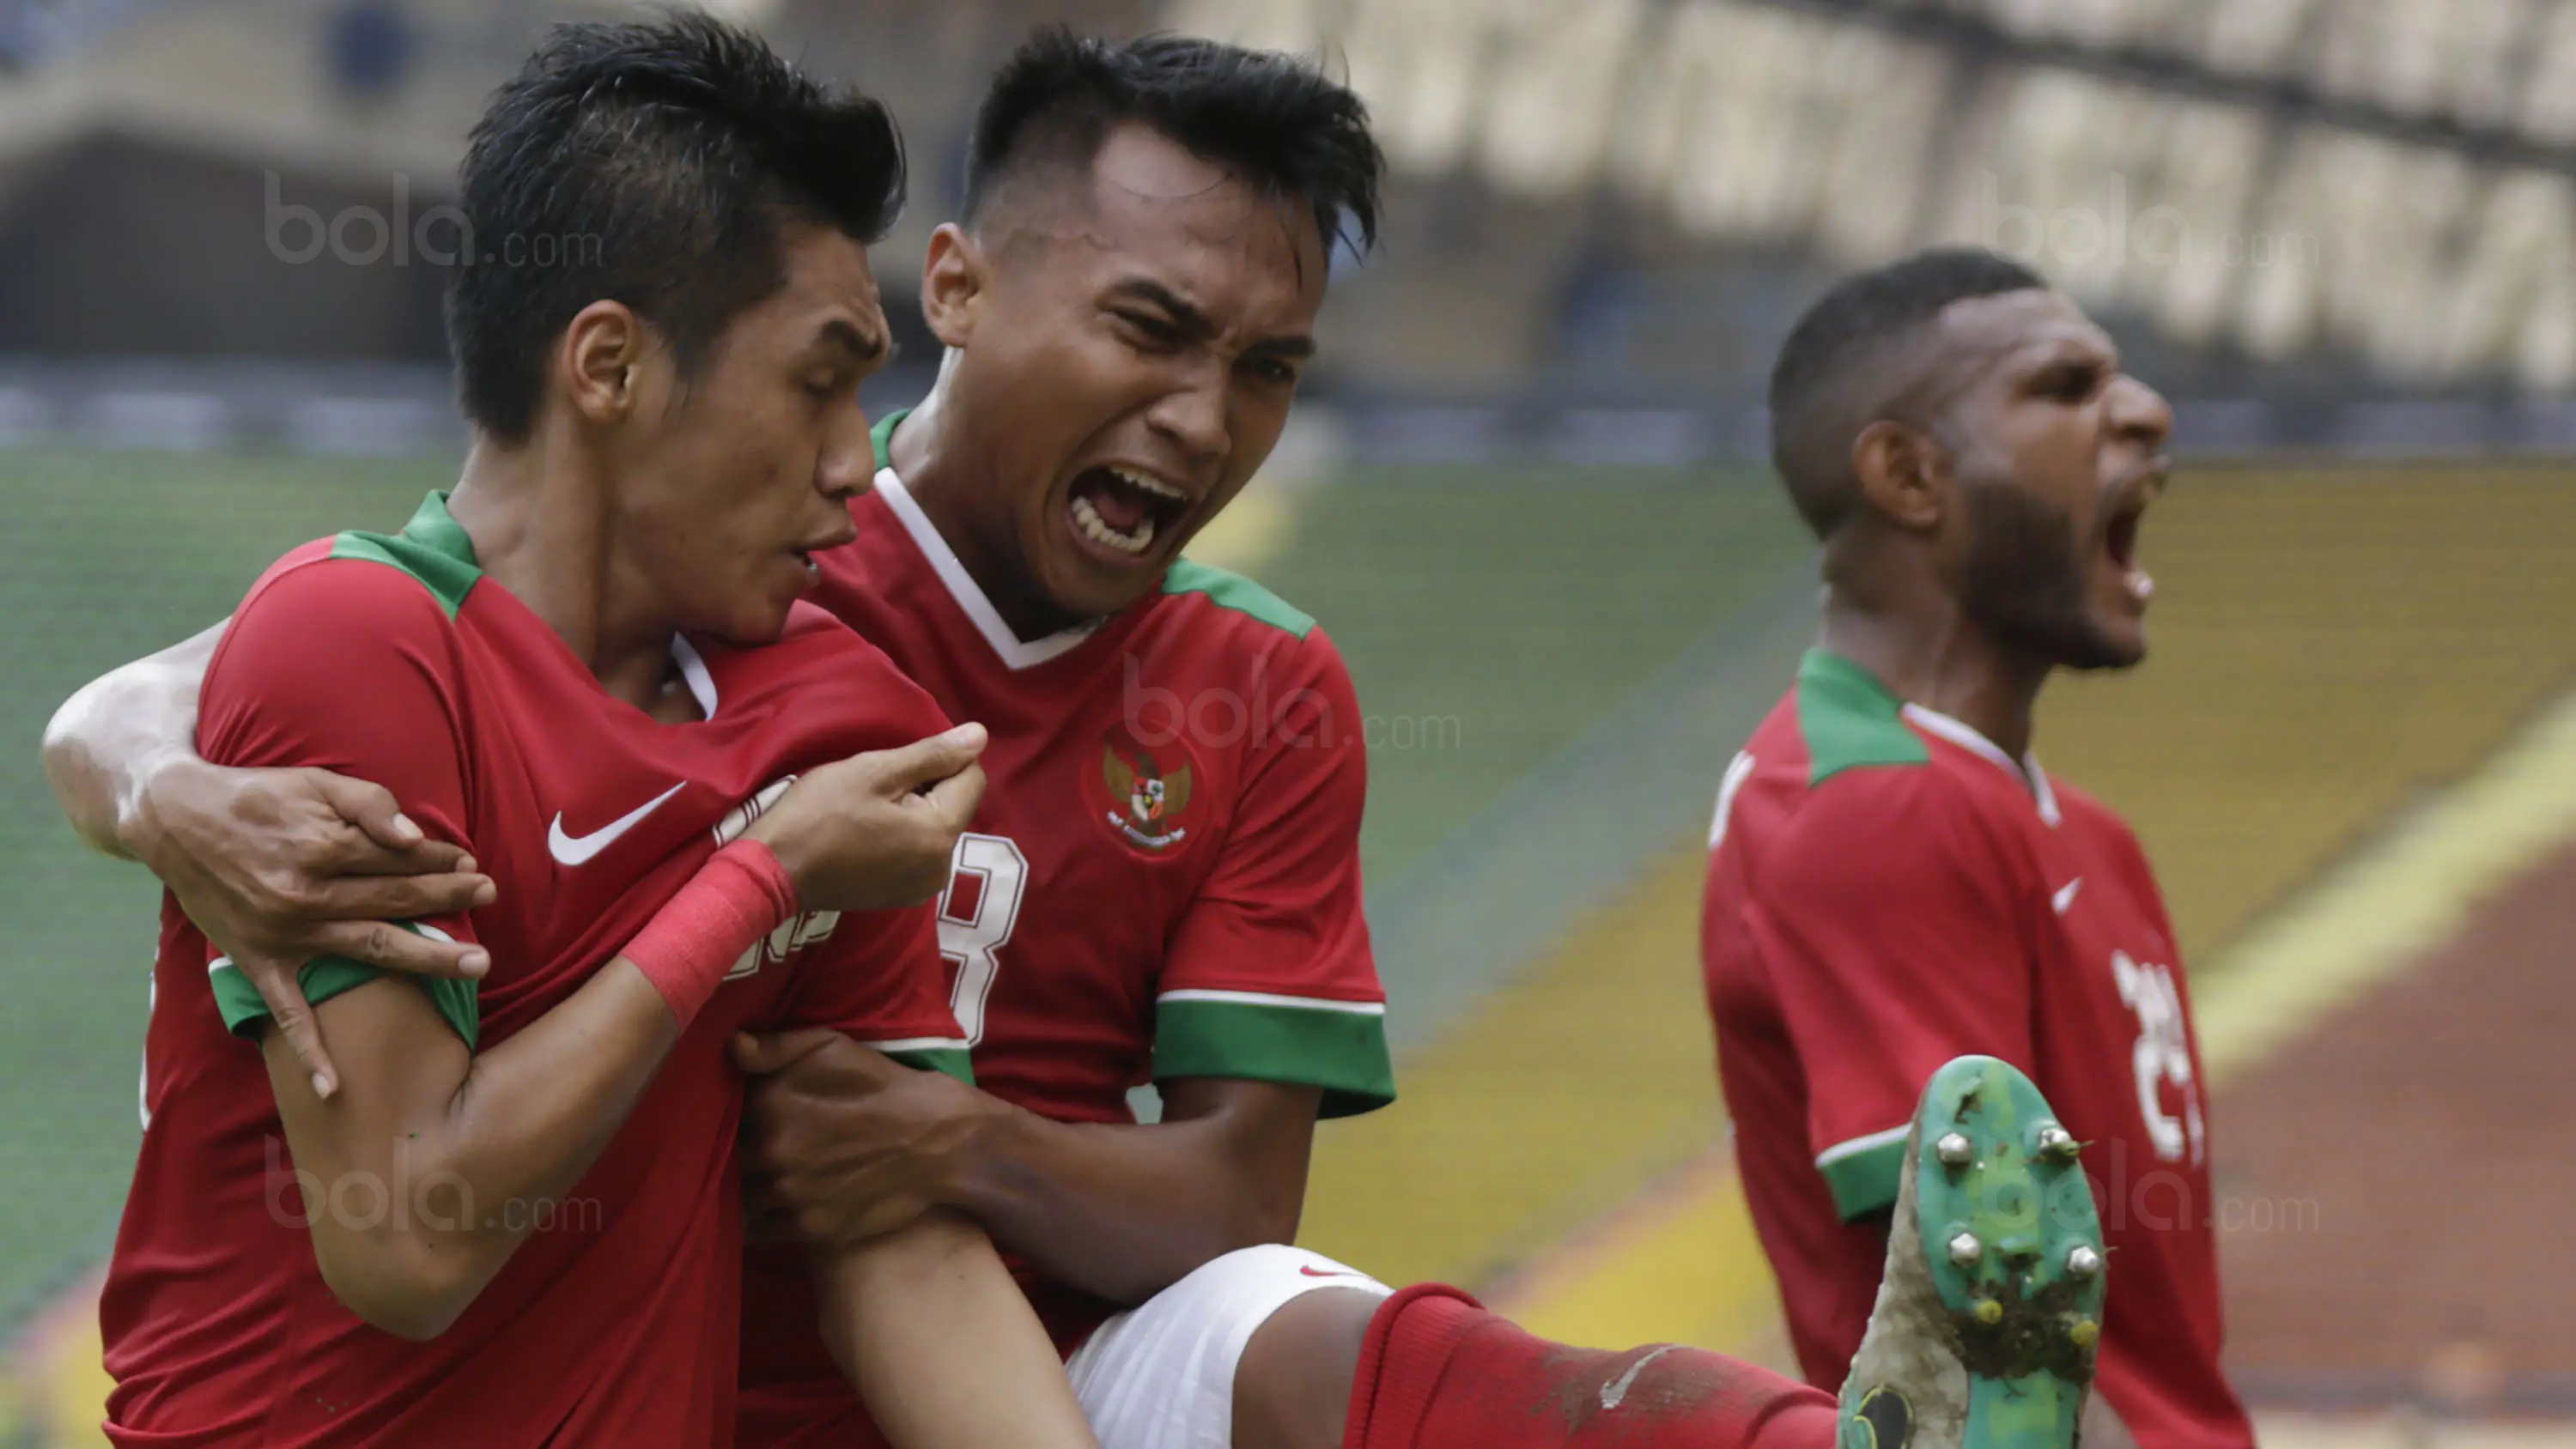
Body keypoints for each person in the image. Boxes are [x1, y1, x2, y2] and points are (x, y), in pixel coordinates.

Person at [46, 33, 2099, 1449]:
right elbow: (229, 691)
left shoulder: (917, 711)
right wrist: (161, 783)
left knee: (1302, 1329)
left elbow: (1070, 1222)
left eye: (1270, 369)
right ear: (958, 288)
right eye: (1150, 330)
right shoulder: (588, 619)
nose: (1207, 422)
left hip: (995, 1354)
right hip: (517, 1373)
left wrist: (951, 1135)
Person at [57, 16, 1098, 1449]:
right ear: (606, 367)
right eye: (818, 378)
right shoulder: (363, 648)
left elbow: (897, 1248)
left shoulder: (838, 723)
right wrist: (761, 883)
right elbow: (407, 1240)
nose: (858, 458)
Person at [1700, 247, 2257, 1449]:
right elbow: (1997, 1350)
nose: (2148, 412)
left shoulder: (2082, 833)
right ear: (1909, 472)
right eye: (2064, 387)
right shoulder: (1866, 804)